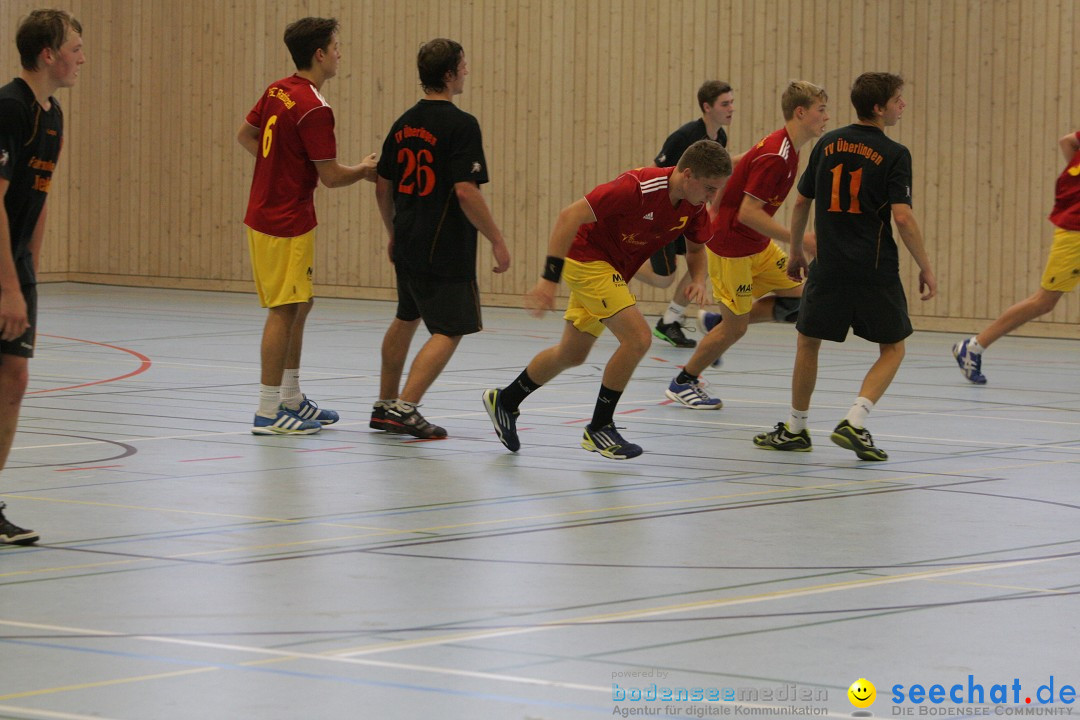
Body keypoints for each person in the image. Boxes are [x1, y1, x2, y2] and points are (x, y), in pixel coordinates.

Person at [482, 140, 731, 460]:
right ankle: (599, 427)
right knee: (638, 338)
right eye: (710, 188)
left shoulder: (693, 205)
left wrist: (697, 278)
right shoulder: (638, 187)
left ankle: (505, 401)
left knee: (571, 353)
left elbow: (696, 249)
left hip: (613, 269)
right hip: (587, 260)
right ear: (687, 175)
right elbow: (568, 217)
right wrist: (548, 278)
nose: (712, 197)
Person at [753, 72, 937, 461]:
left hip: (829, 265)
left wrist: (798, 251)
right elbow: (902, 218)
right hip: (874, 268)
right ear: (878, 107)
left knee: (808, 341)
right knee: (893, 348)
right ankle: (855, 420)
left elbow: (802, 202)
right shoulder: (895, 154)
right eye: (897, 99)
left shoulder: (827, 143)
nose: (902, 105)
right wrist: (925, 266)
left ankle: (796, 429)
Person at [239, 17, 377, 435]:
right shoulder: (315, 108)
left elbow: (247, 136)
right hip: (284, 221)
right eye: (336, 46)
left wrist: (279, 168)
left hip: (271, 212)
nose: (340, 53)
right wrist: (366, 169)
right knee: (283, 311)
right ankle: (267, 411)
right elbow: (332, 177)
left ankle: (291, 396)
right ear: (319, 54)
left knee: (301, 303)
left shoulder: (277, 89)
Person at [372, 38, 510, 439]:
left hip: (409, 238)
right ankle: (405, 406)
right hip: (445, 245)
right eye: (463, 65)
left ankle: (383, 405)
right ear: (449, 73)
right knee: (451, 327)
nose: (467, 70)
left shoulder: (403, 123)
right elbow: (466, 191)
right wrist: (497, 240)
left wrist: (393, 231)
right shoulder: (461, 125)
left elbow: (383, 187)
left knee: (406, 316)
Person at [665, 81, 828, 409]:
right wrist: (801, 240)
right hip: (733, 248)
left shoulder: (782, 145)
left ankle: (716, 322)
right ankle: (684, 381)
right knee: (735, 330)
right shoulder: (777, 156)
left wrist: (715, 201)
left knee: (800, 299)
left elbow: (735, 162)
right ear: (801, 112)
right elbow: (749, 213)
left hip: (756, 244)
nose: (826, 116)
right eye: (820, 110)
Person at [0, 9, 84, 545]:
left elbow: (41, 194)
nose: (82, 58)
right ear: (48, 53)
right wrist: (8, 286)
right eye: (75, 48)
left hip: (16, 267)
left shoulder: (51, 113)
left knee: (14, 381)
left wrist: (28, 271)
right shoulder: (9, 108)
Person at [952, 131, 1080, 384]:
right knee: (1044, 301)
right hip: (1075, 232)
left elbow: (1067, 140)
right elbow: (1067, 141)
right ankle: (974, 346)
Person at [638, 80, 736, 349]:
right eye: (725, 104)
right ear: (707, 107)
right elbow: (654, 171)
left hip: (689, 214)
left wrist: (712, 209)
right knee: (664, 278)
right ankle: (616, 262)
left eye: (732, 102)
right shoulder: (684, 136)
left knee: (701, 263)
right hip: (664, 213)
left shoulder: (720, 139)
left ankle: (671, 320)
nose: (731, 109)